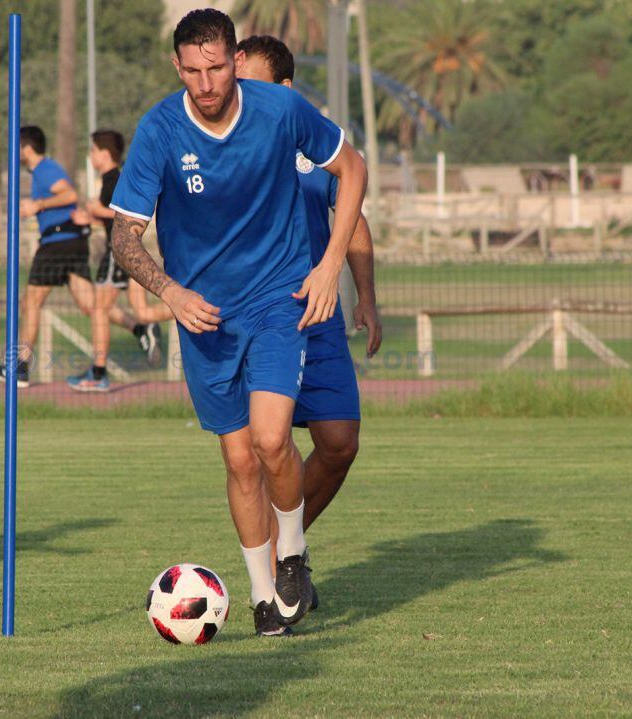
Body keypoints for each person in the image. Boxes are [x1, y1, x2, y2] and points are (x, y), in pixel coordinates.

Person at [110, 9, 367, 637]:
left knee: (272, 440)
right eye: (192, 71)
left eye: (217, 68)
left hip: (277, 300)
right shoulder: (160, 130)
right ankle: (262, 599)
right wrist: (170, 291)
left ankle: (292, 553)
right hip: (204, 317)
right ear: (177, 67)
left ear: (235, 60)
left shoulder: (281, 111)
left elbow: (353, 168)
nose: (207, 83)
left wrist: (330, 265)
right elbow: (123, 235)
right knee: (239, 460)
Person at [236, 35, 382, 608]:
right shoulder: (228, 142)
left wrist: (366, 298)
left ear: (286, 89)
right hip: (254, 314)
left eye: (250, 83)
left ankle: (286, 551)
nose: (237, 93)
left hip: (316, 313)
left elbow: (353, 218)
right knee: (259, 448)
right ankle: (273, 568)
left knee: (340, 442)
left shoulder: (316, 143)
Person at [0, 125, 152, 388]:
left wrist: (37, 205)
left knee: (30, 302)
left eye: (16, 146)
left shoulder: (45, 169)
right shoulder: (41, 171)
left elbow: (70, 194)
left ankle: (19, 366)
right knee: (92, 306)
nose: (13, 151)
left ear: (27, 148)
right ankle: (139, 328)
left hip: (58, 243)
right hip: (71, 242)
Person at [66, 130, 162, 392]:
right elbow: (110, 218)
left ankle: (98, 373)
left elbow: (124, 213)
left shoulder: (114, 179)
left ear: (106, 154)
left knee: (99, 309)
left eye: (93, 150)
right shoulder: (110, 179)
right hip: (118, 248)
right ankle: (143, 329)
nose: (91, 155)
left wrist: (97, 210)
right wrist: (90, 218)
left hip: (117, 250)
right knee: (129, 310)